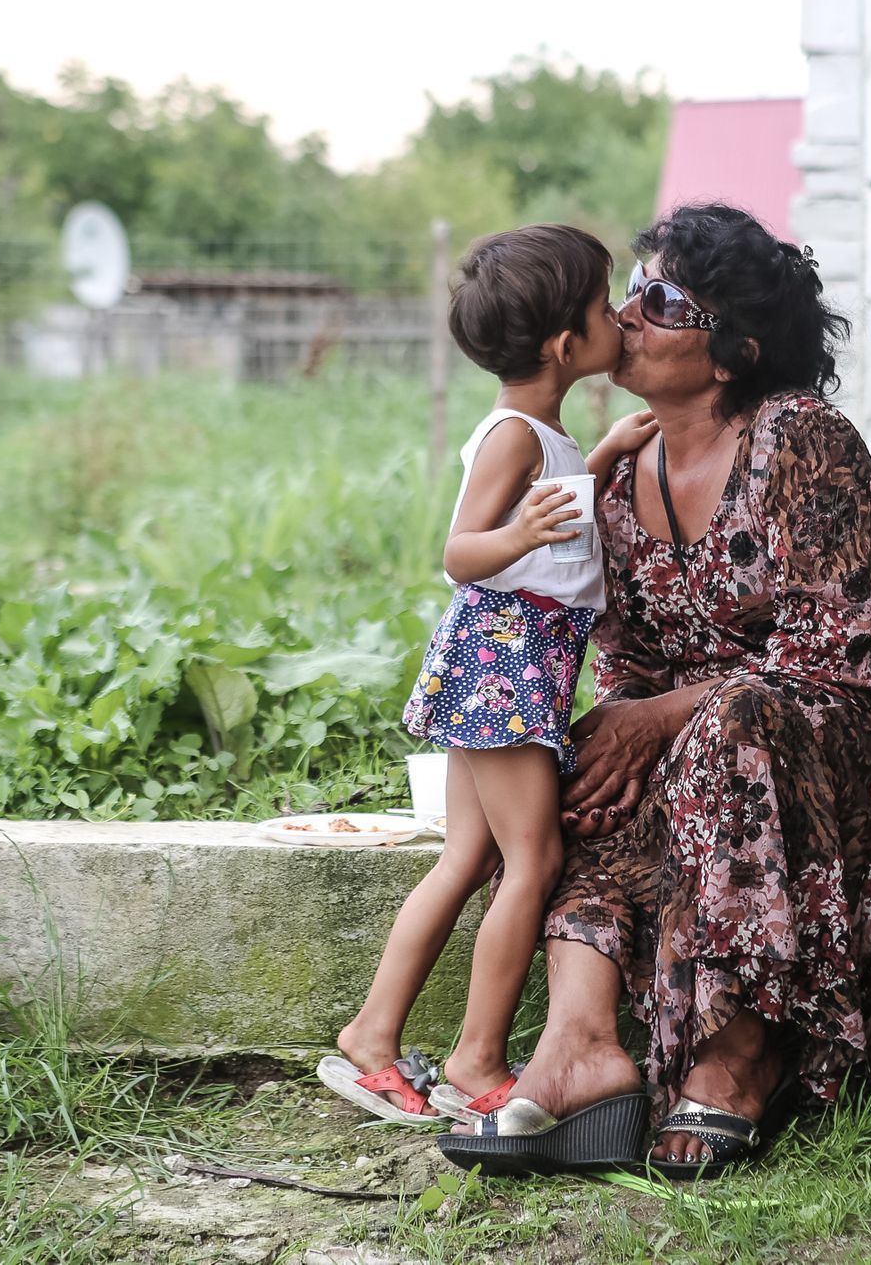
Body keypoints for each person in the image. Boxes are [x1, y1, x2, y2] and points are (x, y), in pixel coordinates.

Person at [439, 204, 871, 1177]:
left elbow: (847, 647)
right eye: (633, 288)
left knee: (731, 717)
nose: (631, 310)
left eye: (663, 298)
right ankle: (582, 1046)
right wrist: (622, 721)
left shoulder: (796, 436)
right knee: (592, 754)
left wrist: (664, 712)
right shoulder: (617, 476)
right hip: (719, 750)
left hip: (870, 742)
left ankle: (743, 1047)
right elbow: (630, 664)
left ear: (730, 350)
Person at [318, 224, 660, 1126]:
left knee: (470, 855)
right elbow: (463, 549)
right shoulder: (514, 433)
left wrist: (604, 457)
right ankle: (476, 1061)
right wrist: (515, 536)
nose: (618, 318)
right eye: (601, 308)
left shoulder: (543, 434)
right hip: (507, 658)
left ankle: (371, 1034)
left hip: (509, 656)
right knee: (533, 857)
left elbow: (544, 522)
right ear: (564, 345)